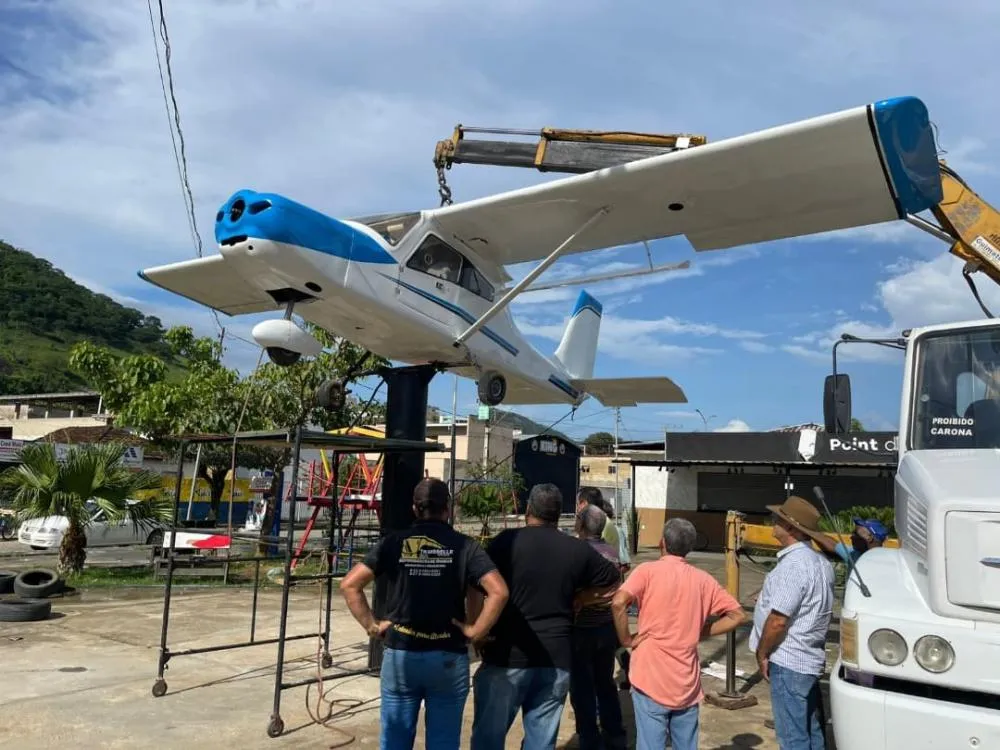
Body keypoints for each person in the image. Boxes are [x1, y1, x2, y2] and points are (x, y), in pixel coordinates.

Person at [340, 478, 509, 750]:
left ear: (415, 509)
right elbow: (498, 591)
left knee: (395, 739)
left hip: (401, 654)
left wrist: (372, 626)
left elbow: (350, 584)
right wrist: (476, 631)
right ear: (448, 509)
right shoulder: (465, 546)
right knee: (443, 741)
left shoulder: (393, 542)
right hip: (447, 656)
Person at [470, 483, 622, 750]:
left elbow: (474, 582)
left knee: (488, 740)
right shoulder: (575, 549)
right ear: (558, 514)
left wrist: (478, 630)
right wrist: (582, 599)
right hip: (556, 660)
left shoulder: (505, 542)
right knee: (540, 744)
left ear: (528, 509)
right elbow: (613, 579)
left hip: (506, 657)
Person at [610, 518, 746, 750]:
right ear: (690, 547)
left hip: (650, 676)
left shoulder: (647, 571)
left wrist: (626, 640)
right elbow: (738, 615)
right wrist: (702, 631)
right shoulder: (704, 580)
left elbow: (618, 602)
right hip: (685, 682)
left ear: (662, 543)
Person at [749, 496, 835, 750]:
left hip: (789, 660)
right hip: (808, 657)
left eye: (780, 519)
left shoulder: (794, 565)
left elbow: (778, 621)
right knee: (811, 728)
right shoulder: (820, 563)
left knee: (792, 737)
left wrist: (762, 653)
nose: (773, 522)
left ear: (792, 529)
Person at [568, 504, 628, 750]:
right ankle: (615, 735)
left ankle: (590, 740)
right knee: (605, 682)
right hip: (606, 628)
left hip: (582, 629)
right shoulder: (611, 552)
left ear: (581, 525)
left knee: (582, 687)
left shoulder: (578, 552)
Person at [813, 516, 889, 565]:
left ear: (869, 537)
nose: (851, 537)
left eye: (856, 534)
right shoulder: (853, 555)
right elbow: (831, 543)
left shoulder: (885, 563)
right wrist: (801, 528)